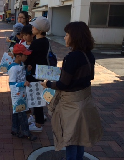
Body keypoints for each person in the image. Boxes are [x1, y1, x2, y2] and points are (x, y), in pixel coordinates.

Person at [41, 21, 103, 160]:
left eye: (67, 34)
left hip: (71, 105)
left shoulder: (72, 57)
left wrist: (48, 84)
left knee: (69, 137)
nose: (64, 37)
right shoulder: (88, 54)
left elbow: (63, 84)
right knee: (80, 136)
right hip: (84, 101)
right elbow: (89, 77)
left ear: (75, 36)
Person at [24, 16, 50, 132]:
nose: (32, 28)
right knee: (38, 97)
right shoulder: (45, 41)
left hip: (35, 73)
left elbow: (29, 57)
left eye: (34, 26)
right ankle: (37, 118)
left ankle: (38, 124)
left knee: (36, 98)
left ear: (40, 30)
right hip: (41, 72)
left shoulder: (37, 43)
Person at [8, 44, 36, 141]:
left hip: (22, 93)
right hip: (17, 95)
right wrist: (22, 84)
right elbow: (11, 84)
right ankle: (25, 132)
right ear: (19, 56)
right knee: (22, 114)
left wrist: (27, 71)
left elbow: (22, 75)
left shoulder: (21, 65)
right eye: (25, 55)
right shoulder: (13, 68)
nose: (27, 57)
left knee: (17, 112)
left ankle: (15, 129)